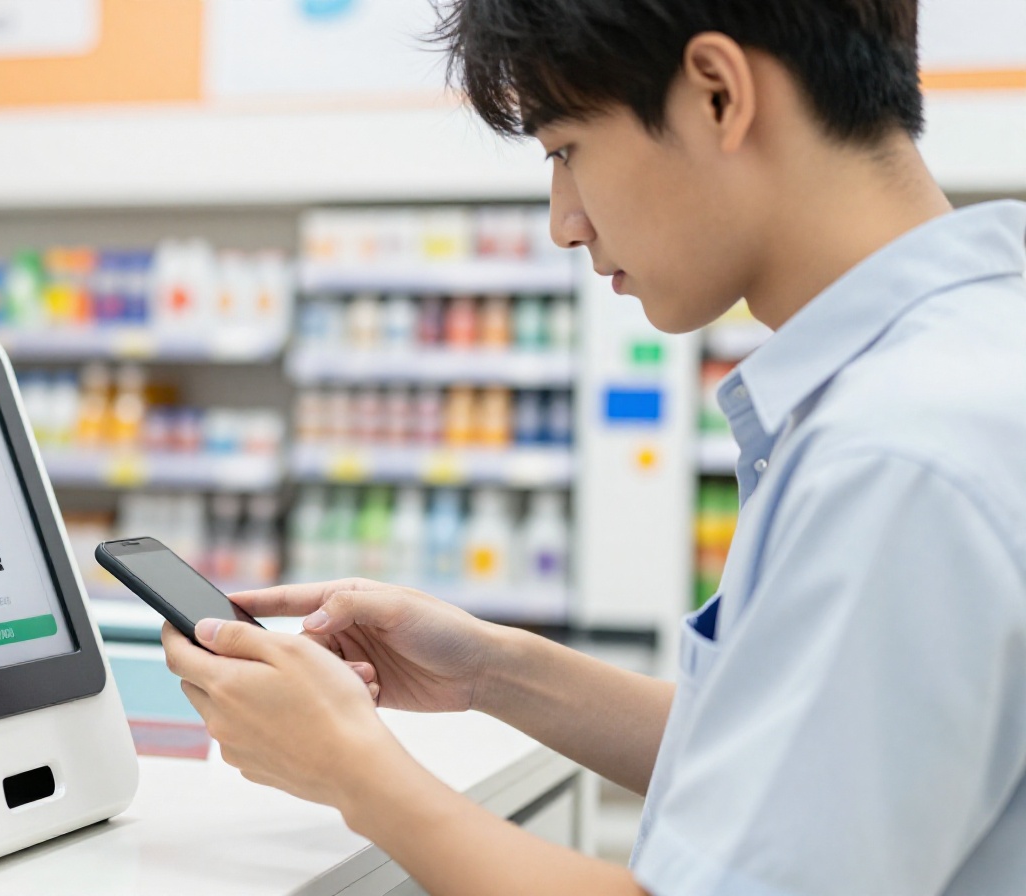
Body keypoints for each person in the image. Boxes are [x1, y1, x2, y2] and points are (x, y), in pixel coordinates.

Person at [160, 1, 1026, 893]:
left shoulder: (899, 457)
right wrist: (495, 668)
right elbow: (802, 768)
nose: (563, 222)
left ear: (718, 96)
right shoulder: (959, 362)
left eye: (565, 149)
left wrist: (350, 770)